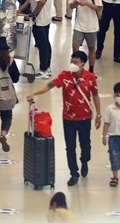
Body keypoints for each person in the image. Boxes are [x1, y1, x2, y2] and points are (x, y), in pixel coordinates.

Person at [27, 51, 102, 186]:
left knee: (85, 145)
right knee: (70, 147)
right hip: (68, 118)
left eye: (76, 62)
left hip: (84, 118)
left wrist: (99, 114)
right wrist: (34, 93)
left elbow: (95, 95)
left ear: (83, 64)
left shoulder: (90, 77)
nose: (73, 64)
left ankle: (85, 161)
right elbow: (49, 86)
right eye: (71, 61)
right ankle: (74, 172)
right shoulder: (65, 75)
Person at [69, 0, 102, 73]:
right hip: (79, 25)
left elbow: (99, 7)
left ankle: (91, 69)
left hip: (91, 25)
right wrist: (76, 3)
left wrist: (87, 4)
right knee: (75, 47)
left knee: (92, 48)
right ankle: (76, 68)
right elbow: (70, 6)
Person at [27, 0, 53, 78]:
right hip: (46, 18)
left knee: (42, 45)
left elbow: (41, 1)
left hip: (40, 20)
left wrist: (33, 14)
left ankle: (43, 70)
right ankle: (47, 67)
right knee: (46, 43)